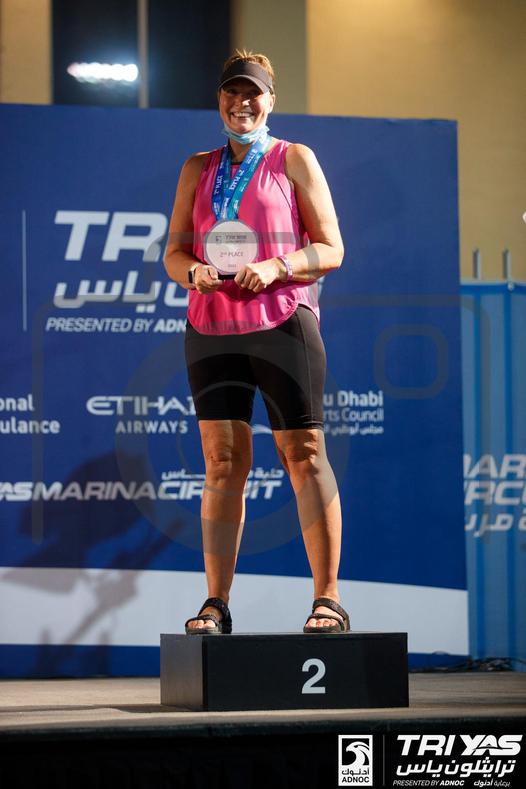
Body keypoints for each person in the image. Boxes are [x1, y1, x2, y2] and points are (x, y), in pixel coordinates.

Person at [163, 50, 349, 635]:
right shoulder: (198, 167)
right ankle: (215, 605)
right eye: (232, 92)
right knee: (222, 463)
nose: (242, 103)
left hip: (282, 319)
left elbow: (332, 248)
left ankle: (327, 600)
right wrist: (192, 271)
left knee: (304, 455)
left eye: (253, 93)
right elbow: (174, 253)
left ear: (271, 100)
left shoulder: (293, 158)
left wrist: (277, 266)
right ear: (219, 99)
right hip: (210, 326)